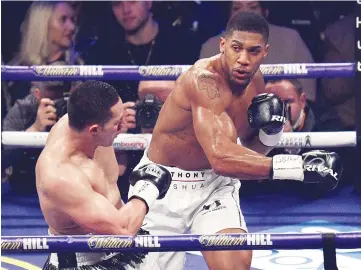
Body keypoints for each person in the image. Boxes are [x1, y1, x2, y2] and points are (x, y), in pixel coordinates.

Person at [127, 12, 342, 270]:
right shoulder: (203, 81)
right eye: (236, 48)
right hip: (162, 184)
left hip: (213, 187)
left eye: (253, 51)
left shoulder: (256, 83)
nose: (243, 60)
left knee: (233, 265)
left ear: (265, 52)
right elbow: (221, 157)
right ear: (222, 45)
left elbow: (247, 152)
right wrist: (297, 167)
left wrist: (270, 135)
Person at [36, 81, 172, 270]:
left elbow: (107, 183)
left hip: (127, 248)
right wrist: (147, 187)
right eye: (117, 123)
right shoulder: (59, 175)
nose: (123, 126)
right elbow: (123, 230)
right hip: (87, 262)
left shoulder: (90, 126)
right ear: (94, 130)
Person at [199, 0, 317, 102]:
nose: (245, 13)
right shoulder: (210, 47)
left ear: (265, 11)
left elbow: (308, 94)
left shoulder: (291, 39)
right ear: (229, 14)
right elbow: (204, 97)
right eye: (237, 8)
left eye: (253, 7)